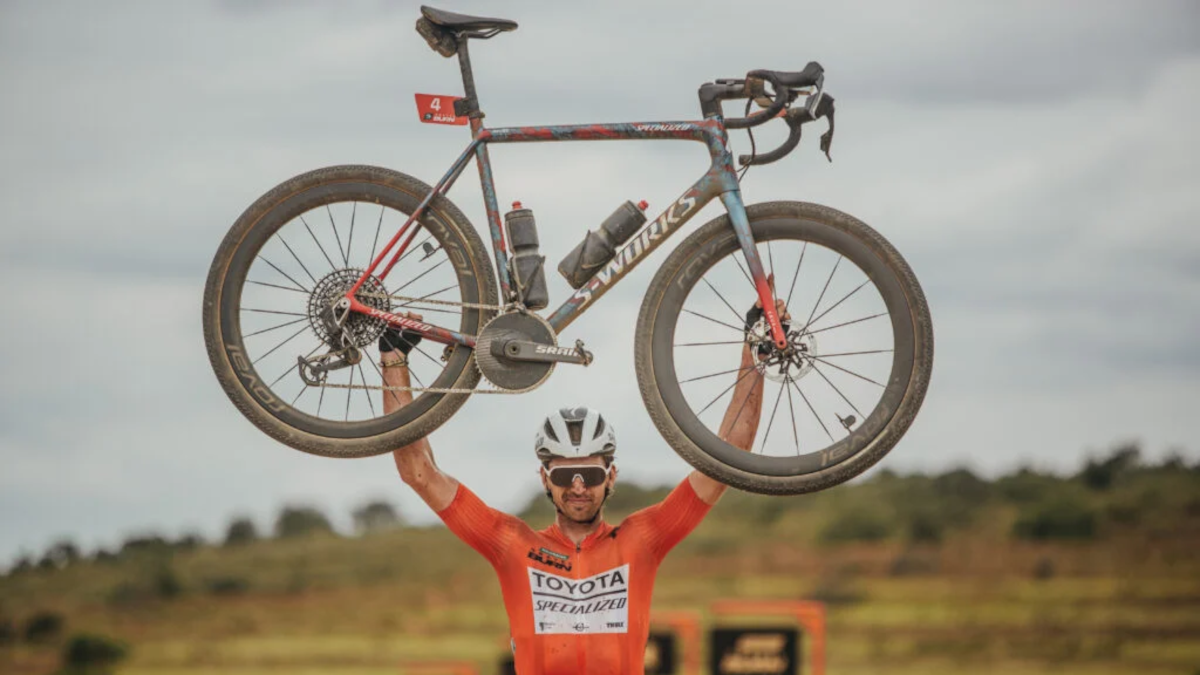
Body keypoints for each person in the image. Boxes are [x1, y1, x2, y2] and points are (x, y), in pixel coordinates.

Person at [379, 292, 790, 675]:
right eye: (563, 475)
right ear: (544, 478)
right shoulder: (512, 543)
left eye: (591, 474)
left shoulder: (642, 539)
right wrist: (394, 357)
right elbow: (418, 471)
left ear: (611, 476)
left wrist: (755, 350)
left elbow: (728, 455)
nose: (578, 487)